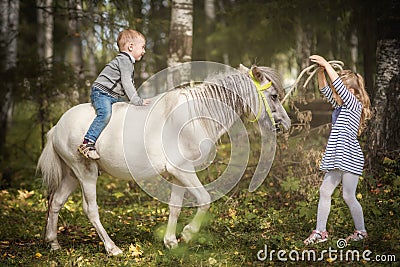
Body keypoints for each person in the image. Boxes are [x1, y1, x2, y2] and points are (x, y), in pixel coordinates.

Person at [303, 55, 371, 245]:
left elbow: (337, 87)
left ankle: (361, 231)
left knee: (348, 196)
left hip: (350, 157)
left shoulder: (352, 105)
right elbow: (324, 88)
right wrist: (321, 71)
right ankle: (320, 232)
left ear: (349, 91)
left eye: (337, 92)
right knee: (325, 191)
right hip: (337, 157)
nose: (333, 95)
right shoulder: (340, 107)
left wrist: (326, 63)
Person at [78, 29, 150, 160]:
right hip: (102, 93)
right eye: (143, 47)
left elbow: (128, 85)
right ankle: (87, 143)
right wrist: (137, 101)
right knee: (105, 114)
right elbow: (127, 83)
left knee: (126, 112)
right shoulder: (125, 60)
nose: (144, 51)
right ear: (131, 47)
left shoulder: (126, 62)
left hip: (113, 95)